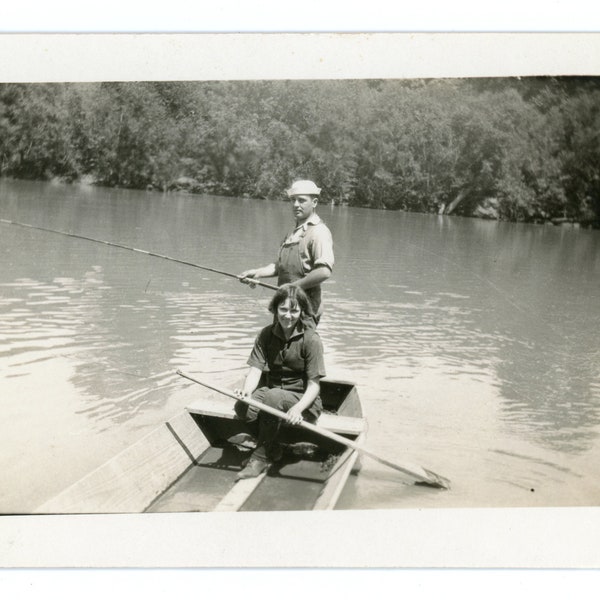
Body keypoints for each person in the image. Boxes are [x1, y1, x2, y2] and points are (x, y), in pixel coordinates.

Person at [233, 284, 326, 480]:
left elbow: (314, 385)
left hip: (304, 402)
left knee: (273, 396)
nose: (288, 315)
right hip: (273, 396)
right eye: (283, 309)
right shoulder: (265, 334)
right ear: (275, 309)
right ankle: (273, 446)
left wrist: (298, 409)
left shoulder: (311, 340)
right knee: (243, 406)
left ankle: (260, 457)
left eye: (294, 310)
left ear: (301, 311)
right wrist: (247, 391)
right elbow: (256, 370)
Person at [239, 179, 334, 326]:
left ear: (314, 202)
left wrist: (292, 287)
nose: (296, 205)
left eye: (301, 200)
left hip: (304, 311)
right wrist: (257, 273)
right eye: (293, 200)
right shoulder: (292, 232)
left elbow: (324, 271)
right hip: (284, 307)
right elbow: (280, 266)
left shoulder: (319, 232)